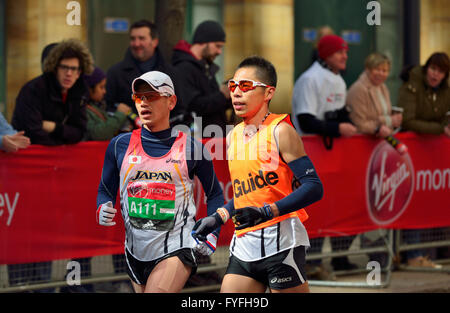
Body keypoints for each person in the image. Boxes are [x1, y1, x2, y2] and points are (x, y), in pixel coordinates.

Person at [191, 56, 324, 293]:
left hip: (282, 243)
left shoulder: (281, 131)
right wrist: (218, 217)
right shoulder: (233, 136)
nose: (236, 93)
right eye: (233, 86)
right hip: (244, 245)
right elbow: (248, 193)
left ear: (268, 93)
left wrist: (267, 212)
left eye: (246, 86)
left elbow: (314, 186)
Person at [96, 71, 224, 293]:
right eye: (139, 97)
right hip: (135, 250)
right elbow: (105, 190)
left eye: (152, 96)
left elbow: (215, 194)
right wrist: (102, 206)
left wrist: (213, 231)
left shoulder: (192, 148)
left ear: (171, 101)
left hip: (177, 247)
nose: (144, 103)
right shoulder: (119, 144)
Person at [291, 34, 357, 278]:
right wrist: (338, 129)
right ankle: (309, 262)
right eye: (340, 52)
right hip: (308, 151)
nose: (345, 56)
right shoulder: (310, 79)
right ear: (326, 54)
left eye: (346, 52)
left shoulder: (338, 79)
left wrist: (351, 123)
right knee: (313, 207)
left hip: (330, 153)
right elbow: (307, 121)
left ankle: (327, 259)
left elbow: (338, 112)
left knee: (332, 204)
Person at [397, 52, 450, 269]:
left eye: (441, 71)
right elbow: (409, 120)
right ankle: (410, 254)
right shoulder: (412, 84)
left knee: (428, 201)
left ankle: (422, 253)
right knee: (409, 201)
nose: (435, 74)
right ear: (427, 68)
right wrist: (440, 129)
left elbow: (445, 115)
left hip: (431, 158)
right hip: (409, 152)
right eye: (433, 69)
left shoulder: (445, 91)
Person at [106, 20, 188, 127]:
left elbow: (180, 110)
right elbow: (108, 108)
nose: (136, 44)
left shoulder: (172, 74)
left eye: (141, 38)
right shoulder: (115, 73)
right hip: (129, 139)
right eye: (133, 39)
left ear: (154, 42)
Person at [12, 39, 93, 145]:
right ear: (55, 69)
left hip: (62, 154)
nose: (69, 73)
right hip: (30, 153)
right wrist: (62, 141)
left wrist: (53, 127)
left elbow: (79, 132)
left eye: (73, 69)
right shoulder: (34, 89)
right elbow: (33, 132)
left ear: (79, 73)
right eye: (64, 67)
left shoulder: (80, 91)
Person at [172, 20, 231, 135]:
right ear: (204, 42)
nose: (219, 51)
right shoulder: (183, 68)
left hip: (214, 139)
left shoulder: (206, 66)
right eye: (217, 46)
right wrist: (222, 95)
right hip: (199, 141)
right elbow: (193, 106)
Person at [347, 52, 403, 136]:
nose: (381, 73)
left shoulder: (383, 88)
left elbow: (384, 115)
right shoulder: (358, 89)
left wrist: (394, 120)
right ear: (367, 70)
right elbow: (358, 124)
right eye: (377, 69)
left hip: (379, 141)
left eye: (384, 70)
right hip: (362, 142)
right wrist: (384, 124)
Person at [84, 66, 132, 141]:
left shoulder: (96, 106)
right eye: (101, 87)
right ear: (89, 88)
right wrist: (120, 114)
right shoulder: (82, 110)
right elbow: (100, 134)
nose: (104, 91)